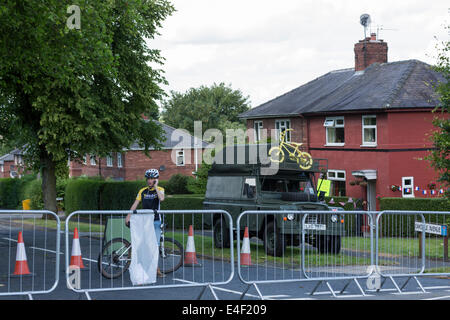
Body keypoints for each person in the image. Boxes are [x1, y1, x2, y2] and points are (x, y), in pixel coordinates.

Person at [125, 168, 166, 278]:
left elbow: (161, 199)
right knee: (143, 244)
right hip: (144, 221)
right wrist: (128, 216)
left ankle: (156, 268)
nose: (149, 181)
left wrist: (156, 186)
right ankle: (141, 266)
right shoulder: (142, 191)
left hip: (156, 221)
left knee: (155, 246)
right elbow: (135, 204)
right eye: (148, 178)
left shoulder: (160, 189)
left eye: (152, 178)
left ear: (156, 179)